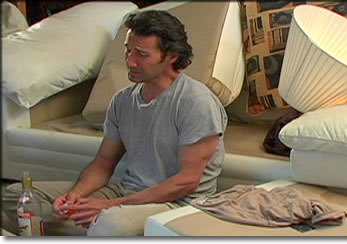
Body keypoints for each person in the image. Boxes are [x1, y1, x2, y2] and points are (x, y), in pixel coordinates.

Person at [2, 10, 227, 236]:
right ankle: (83, 229)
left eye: (141, 54)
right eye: (128, 50)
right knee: (16, 196)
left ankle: (71, 229)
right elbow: (103, 163)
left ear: (172, 56)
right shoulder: (123, 101)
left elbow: (186, 182)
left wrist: (110, 207)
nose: (130, 61)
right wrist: (76, 196)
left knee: (110, 224)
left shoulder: (195, 101)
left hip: (176, 205)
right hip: (125, 192)